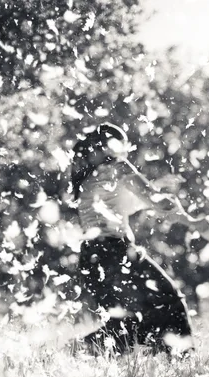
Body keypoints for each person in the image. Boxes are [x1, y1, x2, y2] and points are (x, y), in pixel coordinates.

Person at [71, 122, 193, 356]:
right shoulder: (118, 167)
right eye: (123, 145)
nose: (126, 152)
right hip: (116, 253)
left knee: (129, 322)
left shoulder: (90, 177)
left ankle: (76, 352)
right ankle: (179, 358)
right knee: (169, 301)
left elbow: (129, 203)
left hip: (93, 259)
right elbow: (155, 202)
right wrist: (190, 219)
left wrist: (156, 188)